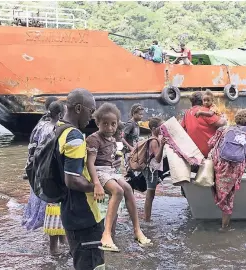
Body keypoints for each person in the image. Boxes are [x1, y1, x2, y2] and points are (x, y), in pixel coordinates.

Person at [86, 103, 151, 252]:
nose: (110, 128)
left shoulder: (112, 139)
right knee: (118, 191)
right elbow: (90, 163)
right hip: (98, 171)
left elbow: (113, 157)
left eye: (113, 124)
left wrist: (116, 162)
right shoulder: (94, 139)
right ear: (97, 123)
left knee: (128, 188)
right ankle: (106, 234)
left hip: (110, 170)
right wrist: (96, 183)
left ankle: (137, 230)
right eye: (105, 124)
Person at [57, 88, 104, 270]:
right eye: (90, 111)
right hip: (84, 215)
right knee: (92, 264)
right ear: (78, 108)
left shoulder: (59, 128)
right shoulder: (75, 136)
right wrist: (98, 187)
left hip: (69, 210)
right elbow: (72, 180)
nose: (91, 118)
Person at [22, 100, 67, 255]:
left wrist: (28, 170)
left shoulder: (40, 126)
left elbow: (31, 148)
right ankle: (54, 248)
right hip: (49, 174)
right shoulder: (56, 130)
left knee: (48, 208)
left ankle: (61, 240)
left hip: (38, 172)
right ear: (61, 114)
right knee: (53, 208)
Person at [208, 109, 246, 230]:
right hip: (235, 168)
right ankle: (224, 227)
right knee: (229, 197)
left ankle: (217, 197)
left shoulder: (223, 129)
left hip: (220, 165)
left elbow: (211, 144)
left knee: (217, 186)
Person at [181, 92, 226, 158]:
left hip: (194, 151)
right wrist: (224, 117)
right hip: (208, 150)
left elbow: (183, 128)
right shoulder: (204, 111)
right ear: (202, 101)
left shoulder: (187, 112)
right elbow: (221, 123)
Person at [143, 117, 167, 222]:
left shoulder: (154, 138)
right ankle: (147, 219)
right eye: (161, 126)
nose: (162, 128)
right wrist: (162, 145)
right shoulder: (154, 141)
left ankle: (147, 217)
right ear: (154, 128)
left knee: (151, 194)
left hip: (151, 169)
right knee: (150, 195)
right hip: (151, 170)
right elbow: (157, 159)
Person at [122, 104, 145, 168]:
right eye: (140, 114)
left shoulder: (136, 124)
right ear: (134, 113)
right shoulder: (130, 124)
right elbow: (122, 138)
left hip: (135, 151)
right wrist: (130, 147)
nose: (142, 116)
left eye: (142, 114)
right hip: (129, 152)